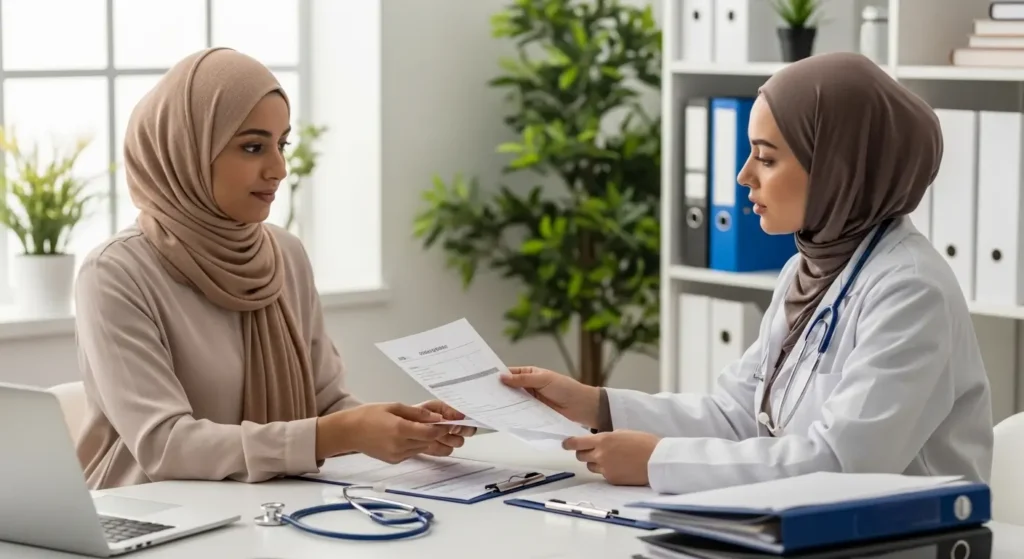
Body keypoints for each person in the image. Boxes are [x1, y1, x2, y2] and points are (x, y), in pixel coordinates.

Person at [502, 52, 994, 495]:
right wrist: (596, 405)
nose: (744, 176)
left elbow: (843, 463)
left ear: (837, 168)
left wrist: (659, 461)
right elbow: (737, 415)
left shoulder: (911, 289)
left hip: (902, 542)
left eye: (767, 157)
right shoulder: (806, 271)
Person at [73, 47, 473, 491]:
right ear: (187, 150)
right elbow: (165, 445)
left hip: (270, 508)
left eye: (282, 145)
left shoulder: (285, 254)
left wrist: (403, 426)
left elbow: (324, 403)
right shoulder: (114, 273)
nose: (278, 169)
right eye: (252, 147)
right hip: (151, 512)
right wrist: (342, 433)